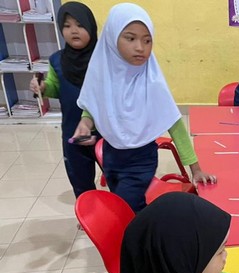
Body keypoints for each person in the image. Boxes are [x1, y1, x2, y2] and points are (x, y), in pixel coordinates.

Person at [73, 3, 216, 213]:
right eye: (130, 38)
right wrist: (85, 123)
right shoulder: (101, 74)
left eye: (147, 40)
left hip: (141, 158)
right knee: (121, 202)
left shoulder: (151, 80)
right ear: (112, 39)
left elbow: (174, 124)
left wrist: (196, 169)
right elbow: (92, 106)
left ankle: (144, 233)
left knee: (128, 206)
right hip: (111, 156)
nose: (140, 47)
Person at [29, 2, 98, 199]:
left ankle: (117, 208)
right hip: (73, 129)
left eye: (80, 25)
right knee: (80, 176)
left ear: (91, 27)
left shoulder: (103, 59)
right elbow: (55, 87)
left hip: (104, 131)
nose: (73, 31)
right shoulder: (57, 60)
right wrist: (43, 87)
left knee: (114, 174)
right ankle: (88, 207)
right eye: (67, 26)